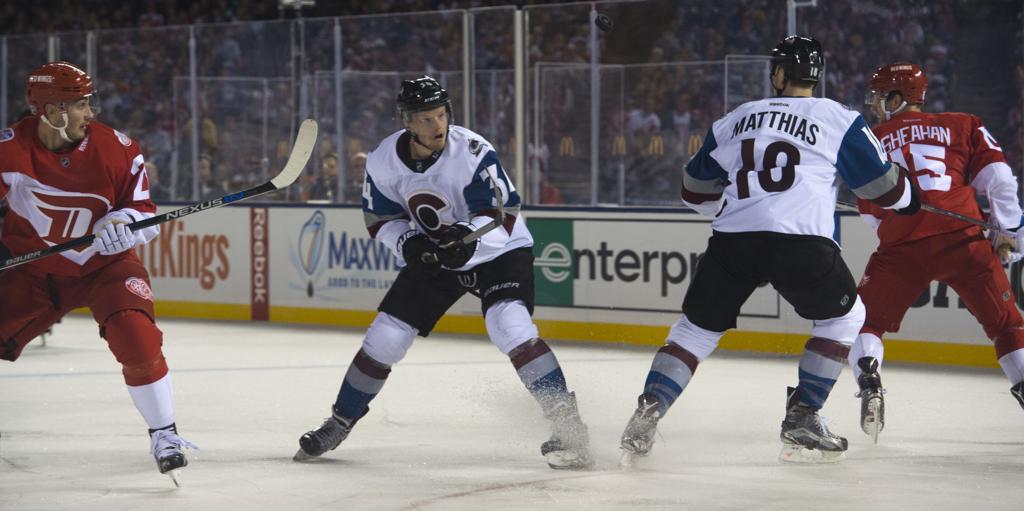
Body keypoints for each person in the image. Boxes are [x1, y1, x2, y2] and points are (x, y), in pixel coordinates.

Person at [618, 36, 920, 465]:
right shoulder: (838, 118)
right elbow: (886, 191)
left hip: (733, 239)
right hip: (802, 242)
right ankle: (803, 414)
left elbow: (694, 191)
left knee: (693, 332)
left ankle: (649, 409)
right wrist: (910, 196)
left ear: (778, 74)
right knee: (845, 318)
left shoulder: (736, 118)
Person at [294, 76, 593, 470]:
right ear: (407, 121)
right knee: (385, 336)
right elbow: (380, 218)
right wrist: (406, 243)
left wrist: (468, 239)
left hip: (498, 249)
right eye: (426, 118)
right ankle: (340, 421)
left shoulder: (470, 150)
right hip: (438, 253)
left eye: (441, 114)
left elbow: (501, 213)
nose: (438, 125)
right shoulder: (384, 159)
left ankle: (569, 427)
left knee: (510, 326)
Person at [0, 62, 195, 484]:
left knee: (136, 336)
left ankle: (165, 435)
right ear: (51, 110)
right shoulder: (9, 149)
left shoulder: (118, 148)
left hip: (106, 265)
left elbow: (142, 211)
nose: (91, 113)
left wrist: (121, 225)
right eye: (81, 104)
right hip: (35, 269)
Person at [850, 62, 1024, 442]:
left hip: (902, 247)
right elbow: (1000, 180)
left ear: (898, 98)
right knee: (1008, 325)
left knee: (865, 323)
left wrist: (900, 231)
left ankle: (869, 379)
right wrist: (1009, 232)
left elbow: (869, 212)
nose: (876, 105)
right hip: (963, 238)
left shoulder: (872, 139)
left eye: (881, 97)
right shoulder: (963, 124)